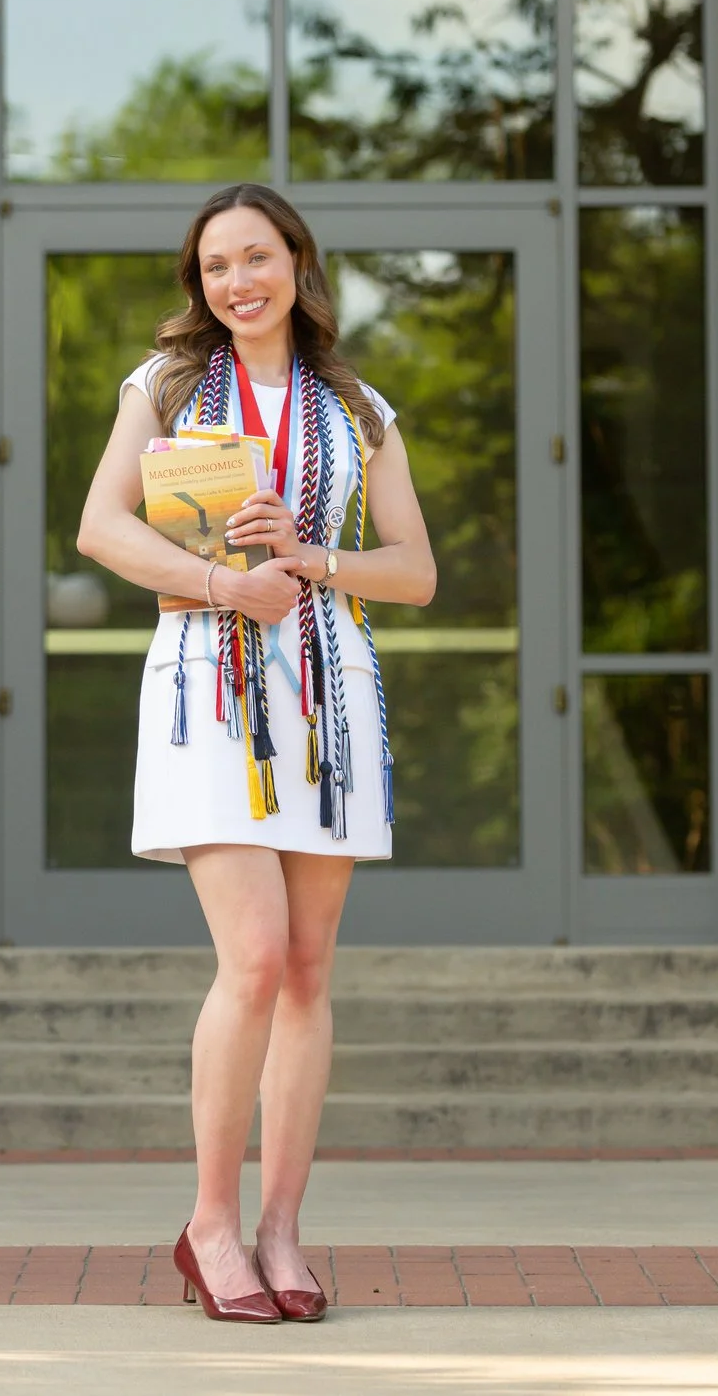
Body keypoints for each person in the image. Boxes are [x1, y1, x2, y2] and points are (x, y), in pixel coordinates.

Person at [76, 183, 436, 1324]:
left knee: (310, 969)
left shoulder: (358, 406)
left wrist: (317, 556)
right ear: (200, 284)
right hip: (207, 694)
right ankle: (210, 1222)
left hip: (326, 698)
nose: (237, 281)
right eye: (215, 265)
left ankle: (281, 1226)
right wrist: (226, 582)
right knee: (256, 956)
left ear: (295, 261)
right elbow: (101, 527)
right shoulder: (168, 386)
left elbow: (415, 572)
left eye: (256, 257)